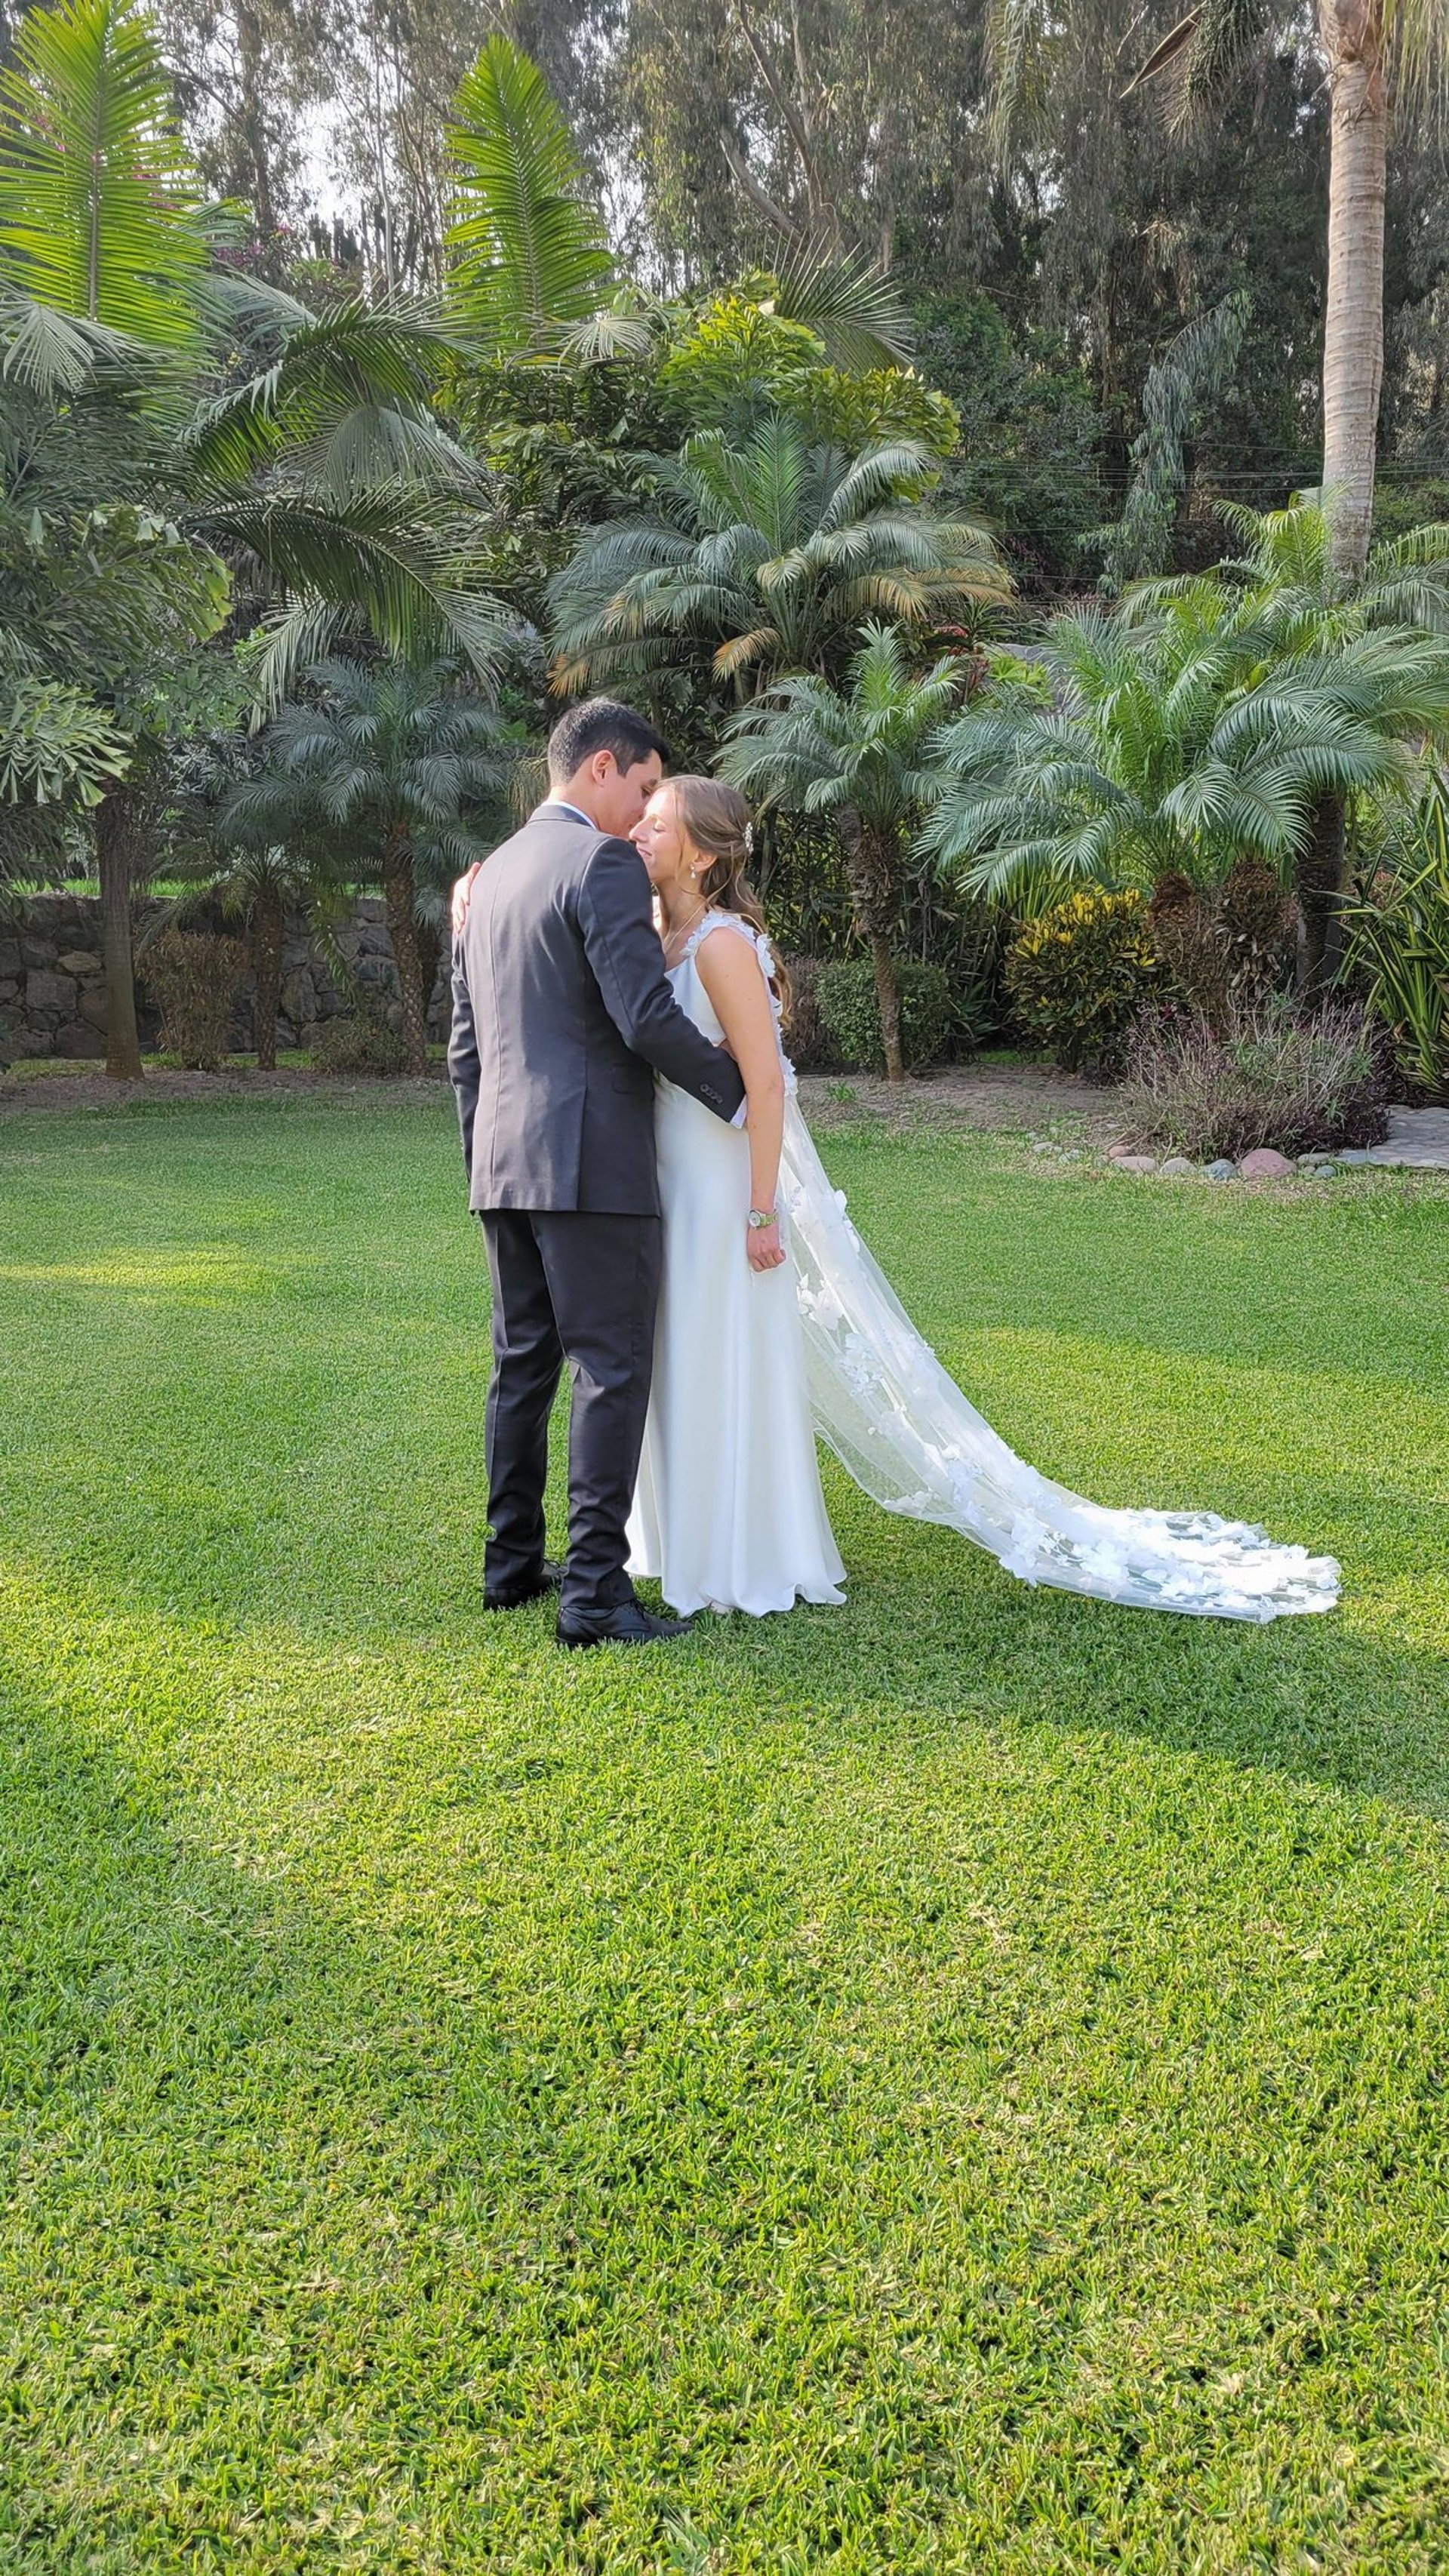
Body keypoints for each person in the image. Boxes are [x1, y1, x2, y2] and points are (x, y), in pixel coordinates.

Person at [448, 699, 746, 1650]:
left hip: (502, 1160)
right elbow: (643, 1015)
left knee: (523, 1363)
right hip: (590, 1161)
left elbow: (466, 1048)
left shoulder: (487, 877)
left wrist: (485, 1154)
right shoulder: (600, 861)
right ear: (603, 768)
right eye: (649, 786)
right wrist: (738, 1089)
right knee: (611, 1369)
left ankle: (509, 1565)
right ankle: (593, 1597)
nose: (648, 809)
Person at [624, 776, 847, 1614]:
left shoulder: (721, 945)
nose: (641, 834)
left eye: (657, 824)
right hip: (666, 1184)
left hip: (722, 1190)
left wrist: (762, 1209)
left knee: (718, 1353)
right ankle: (680, 1534)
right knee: (677, 1352)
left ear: (704, 852)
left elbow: (765, 1086)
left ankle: (739, 1550)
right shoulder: (655, 933)